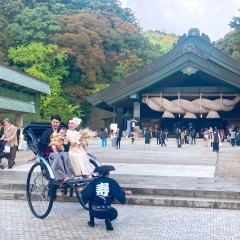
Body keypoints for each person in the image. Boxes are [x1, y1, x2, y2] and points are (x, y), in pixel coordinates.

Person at [80, 165, 132, 231]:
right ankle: (108, 219)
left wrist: (81, 191)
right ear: (108, 173)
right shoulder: (112, 182)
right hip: (108, 212)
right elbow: (117, 193)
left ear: (99, 174)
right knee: (114, 213)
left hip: (94, 212)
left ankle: (91, 222)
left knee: (91, 197)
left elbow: (87, 194)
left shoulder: (93, 182)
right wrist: (124, 193)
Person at [39, 114, 75, 181]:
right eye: (54, 122)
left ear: (59, 123)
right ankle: (61, 177)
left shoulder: (62, 132)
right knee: (57, 156)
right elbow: (42, 144)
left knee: (66, 155)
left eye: (57, 122)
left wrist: (64, 142)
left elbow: (66, 142)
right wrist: (52, 143)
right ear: (51, 122)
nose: (55, 124)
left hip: (61, 150)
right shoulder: (46, 132)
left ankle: (71, 175)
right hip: (50, 152)